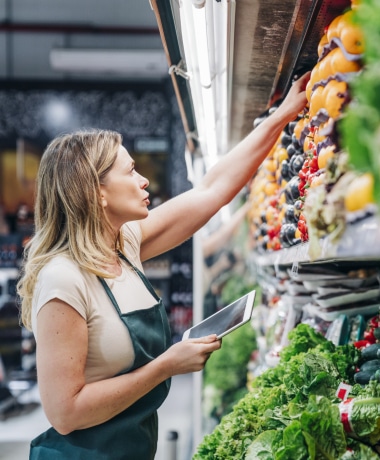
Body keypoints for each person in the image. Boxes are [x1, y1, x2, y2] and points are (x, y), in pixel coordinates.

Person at [16, 72, 310, 460]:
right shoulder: (63, 280)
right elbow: (65, 412)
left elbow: (211, 191)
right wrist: (165, 366)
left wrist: (283, 115)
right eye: (130, 171)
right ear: (97, 192)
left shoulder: (124, 245)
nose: (143, 181)